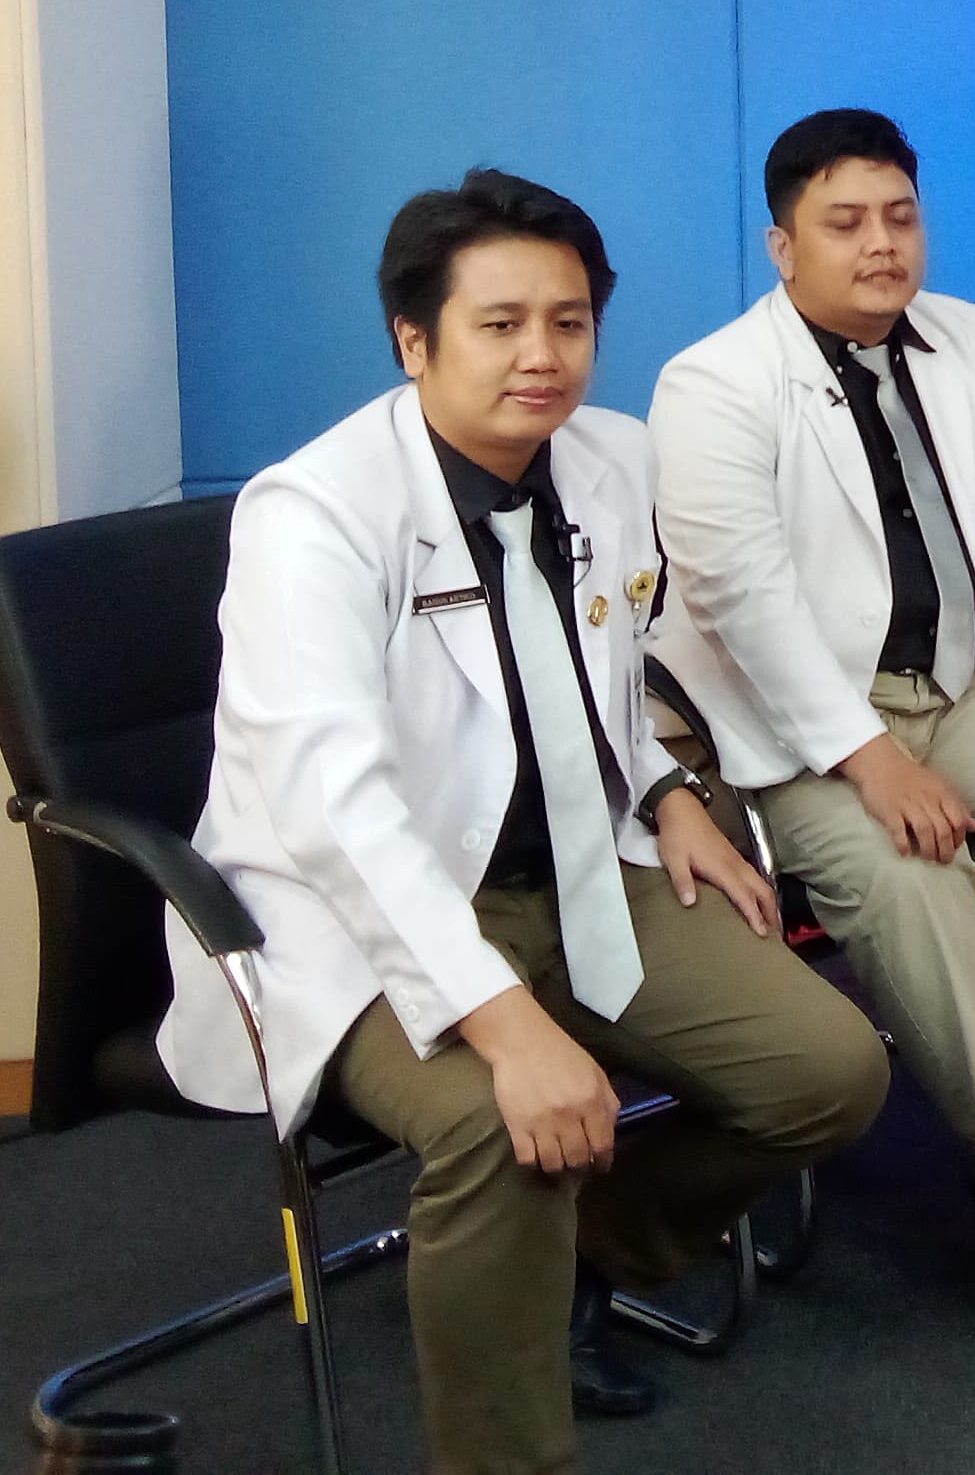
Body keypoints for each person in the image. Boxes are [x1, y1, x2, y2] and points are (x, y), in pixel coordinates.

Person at [158, 170, 890, 1475]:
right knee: (502, 1128)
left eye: (569, 322)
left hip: (579, 863)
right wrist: (505, 1025)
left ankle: (577, 1260)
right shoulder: (313, 515)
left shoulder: (611, 462)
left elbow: (599, 679)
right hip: (361, 913)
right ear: (414, 340)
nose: (541, 357)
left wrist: (665, 793)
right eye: (498, 324)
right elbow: (336, 809)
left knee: (830, 1074)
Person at [648, 107, 975, 1290]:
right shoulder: (714, 384)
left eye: (899, 216)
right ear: (783, 246)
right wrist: (870, 759)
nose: (881, 244)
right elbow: (740, 598)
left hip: (956, 684)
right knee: (910, 872)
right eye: (844, 223)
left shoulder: (964, 336)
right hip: (798, 732)